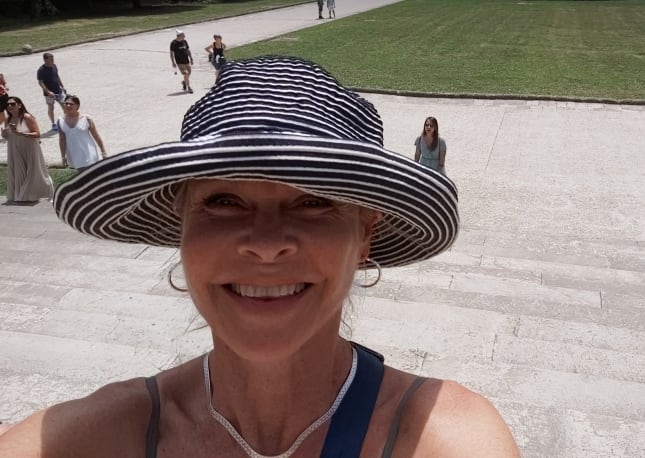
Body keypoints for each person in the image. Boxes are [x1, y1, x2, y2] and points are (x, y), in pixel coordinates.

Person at [0, 55, 519, 457]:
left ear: (364, 237)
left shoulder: (444, 440)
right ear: (181, 227)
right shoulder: (95, 438)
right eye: (224, 201)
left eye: (313, 202)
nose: (267, 243)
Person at [0, 96, 54, 204]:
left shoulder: (27, 117)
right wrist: (4, 133)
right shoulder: (8, 119)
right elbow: (8, 135)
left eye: (13, 104)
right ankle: (22, 194)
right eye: (8, 104)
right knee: (19, 171)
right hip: (15, 148)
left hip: (29, 147)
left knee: (33, 171)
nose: (10, 106)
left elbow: (37, 134)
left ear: (19, 105)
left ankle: (47, 191)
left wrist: (22, 133)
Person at [57, 95, 107, 171]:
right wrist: (63, 157)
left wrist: (103, 151)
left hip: (89, 154)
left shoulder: (87, 119)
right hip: (74, 156)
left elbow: (96, 136)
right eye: (66, 103)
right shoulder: (60, 121)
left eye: (71, 104)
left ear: (77, 106)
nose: (68, 105)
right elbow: (62, 139)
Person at [36, 52, 67, 131]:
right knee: (51, 107)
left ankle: (67, 121)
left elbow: (57, 76)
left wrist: (62, 86)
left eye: (53, 58)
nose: (53, 60)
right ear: (45, 60)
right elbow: (40, 82)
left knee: (65, 105)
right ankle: (53, 123)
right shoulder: (41, 70)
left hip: (58, 90)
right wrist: (48, 92)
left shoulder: (54, 66)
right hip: (48, 93)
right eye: (51, 59)